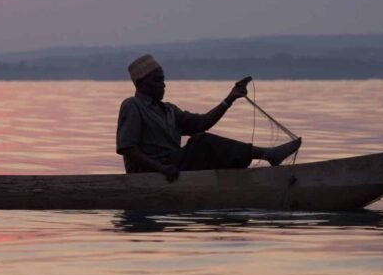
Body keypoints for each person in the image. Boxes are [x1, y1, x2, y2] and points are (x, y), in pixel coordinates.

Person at [116, 54, 301, 182]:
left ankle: (250, 176)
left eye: (163, 79)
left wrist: (230, 99)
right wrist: (161, 168)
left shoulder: (169, 110)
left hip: (173, 166)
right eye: (157, 80)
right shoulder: (132, 106)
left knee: (207, 145)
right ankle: (267, 154)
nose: (163, 85)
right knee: (200, 142)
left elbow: (202, 123)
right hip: (149, 172)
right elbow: (128, 149)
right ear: (141, 83)